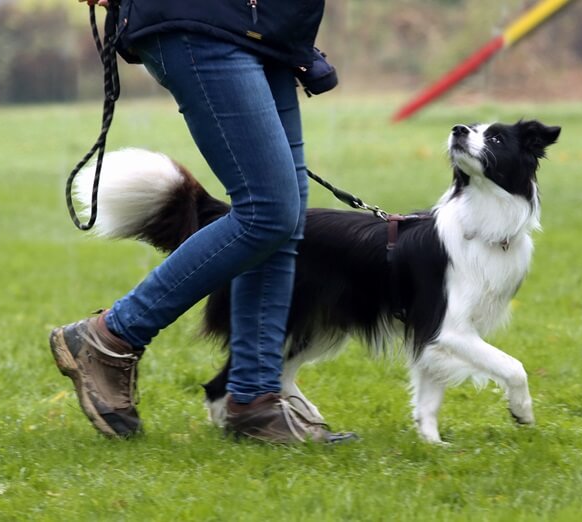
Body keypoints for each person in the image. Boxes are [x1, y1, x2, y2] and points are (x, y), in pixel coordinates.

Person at [49, 0, 355, 444]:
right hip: (203, 16)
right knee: (268, 211)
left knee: (282, 221)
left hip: (266, 24)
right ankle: (112, 335)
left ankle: (255, 400)